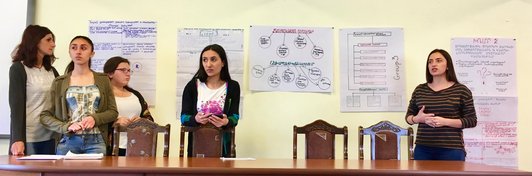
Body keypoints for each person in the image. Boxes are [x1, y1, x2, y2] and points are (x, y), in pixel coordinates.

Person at [40, 36, 118, 155]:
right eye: (74, 48)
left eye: (83, 48)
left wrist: (95, 118)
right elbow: (45, 116)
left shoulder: (103, 80)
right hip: (68, 141)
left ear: (92, 53)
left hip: (96, 141)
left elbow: (113, 112)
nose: (78, 51)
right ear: (69, 52)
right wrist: (66, 126)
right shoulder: (59, 82)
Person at [405, 49, 477, 161]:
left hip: (451, 150)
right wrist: (418, 119)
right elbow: (408, 118)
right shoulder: (420, 89)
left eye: (438, 61)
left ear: (448, 65)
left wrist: (445, 121)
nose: (433, 64)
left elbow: (472, 120)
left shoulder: (461, 90)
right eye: (430, 62)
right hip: (423, 149)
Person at [181, 44, 240, 157]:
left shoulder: (233, 86)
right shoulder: (193, 86)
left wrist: (226, 122)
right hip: (197, 147)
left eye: (213, 59)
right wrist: (196, 118)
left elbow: (235, 116)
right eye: (205, 60)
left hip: (224, 147)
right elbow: (183, 118)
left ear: (223, 62)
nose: (208, 64)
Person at [9, 25, 59, 156]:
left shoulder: (52, 71)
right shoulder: (18, 69)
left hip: (51, 136)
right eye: (49, 40)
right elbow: (16, 107)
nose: (53, 44)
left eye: (53, 40)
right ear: (35, 41)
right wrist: (17, 139)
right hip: (29, 138)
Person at [103, 56, 154, 156]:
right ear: (110, 73)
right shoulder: (103, 95)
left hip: (138, 145)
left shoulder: (136, 95)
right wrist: (114, 123)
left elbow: (150, 119)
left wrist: (142, 121)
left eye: (129, 70)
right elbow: (98, 120)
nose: (127, 74)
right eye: (123, 70)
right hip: (112, 146)